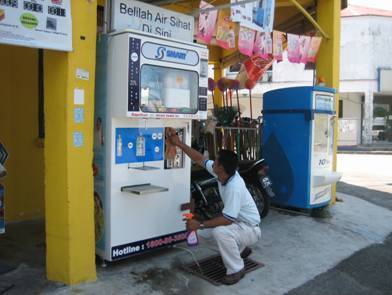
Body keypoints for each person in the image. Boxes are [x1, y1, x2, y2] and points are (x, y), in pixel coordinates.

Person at [166, 128, 261, 285]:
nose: (212, 161)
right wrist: (179, 144)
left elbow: (226, 220)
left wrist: (200, 223)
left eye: (216, 160)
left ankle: (236, 269)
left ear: (221, 167)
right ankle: (240, 250)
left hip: (250, 228)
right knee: (201, 235)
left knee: (219, 232)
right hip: (238, 225)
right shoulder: (222, 172)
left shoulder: (234, 187)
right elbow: (199, 159)